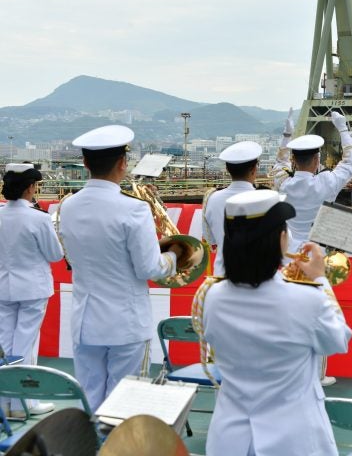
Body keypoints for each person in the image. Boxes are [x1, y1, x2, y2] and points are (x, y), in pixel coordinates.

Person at [201, 190, 352, 456]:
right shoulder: (306, 298)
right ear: (281, 239)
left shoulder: (211, 296)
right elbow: (338, 339)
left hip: (230, 438)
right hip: (293, 440)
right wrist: (319, 280)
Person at [58, 125, 184, 410]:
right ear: (123, 163)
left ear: (86, 163)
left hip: (85, 321)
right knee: (122, 408)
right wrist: (174, 254)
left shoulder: (67, 206)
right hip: (125, 323)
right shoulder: (133, 208)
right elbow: (149, 268)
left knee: (89, 400)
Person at [271, 110, 352, 387]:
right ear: (317, 160)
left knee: (287, 307)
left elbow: (277, 163)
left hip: (289, 251)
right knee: (320, 307)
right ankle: (318, 373)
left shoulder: (283, 183)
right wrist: (343, 129)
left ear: (295, 160)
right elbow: (350, 162)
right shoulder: (327, 182)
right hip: (317, 250)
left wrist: (287, 135)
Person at [0, 163, 64, 418]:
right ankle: (23, 403)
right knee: (26, 343)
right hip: (32, 288)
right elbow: (55, 254)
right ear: (30, 187)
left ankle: (4, 402)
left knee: (4, 343)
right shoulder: (38, 218)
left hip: (3, 286)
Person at [202, 140, 263, 276]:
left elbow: (210, 240)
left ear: (227, 169)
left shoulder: (212, 198)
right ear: (254, 169)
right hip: (256, 276)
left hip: (222, 275)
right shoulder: (267, 199)